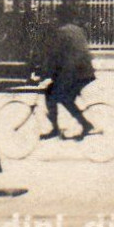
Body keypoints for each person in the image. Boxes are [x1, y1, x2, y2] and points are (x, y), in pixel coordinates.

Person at [39, 12, 97, 140]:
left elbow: (55, 55)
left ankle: (59, 128)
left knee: (55, 95)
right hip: (85, 72)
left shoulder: (61, 33)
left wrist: (45, 73)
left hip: (75, 73)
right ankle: (83, 124)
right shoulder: (77, 30)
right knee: (62, 96)